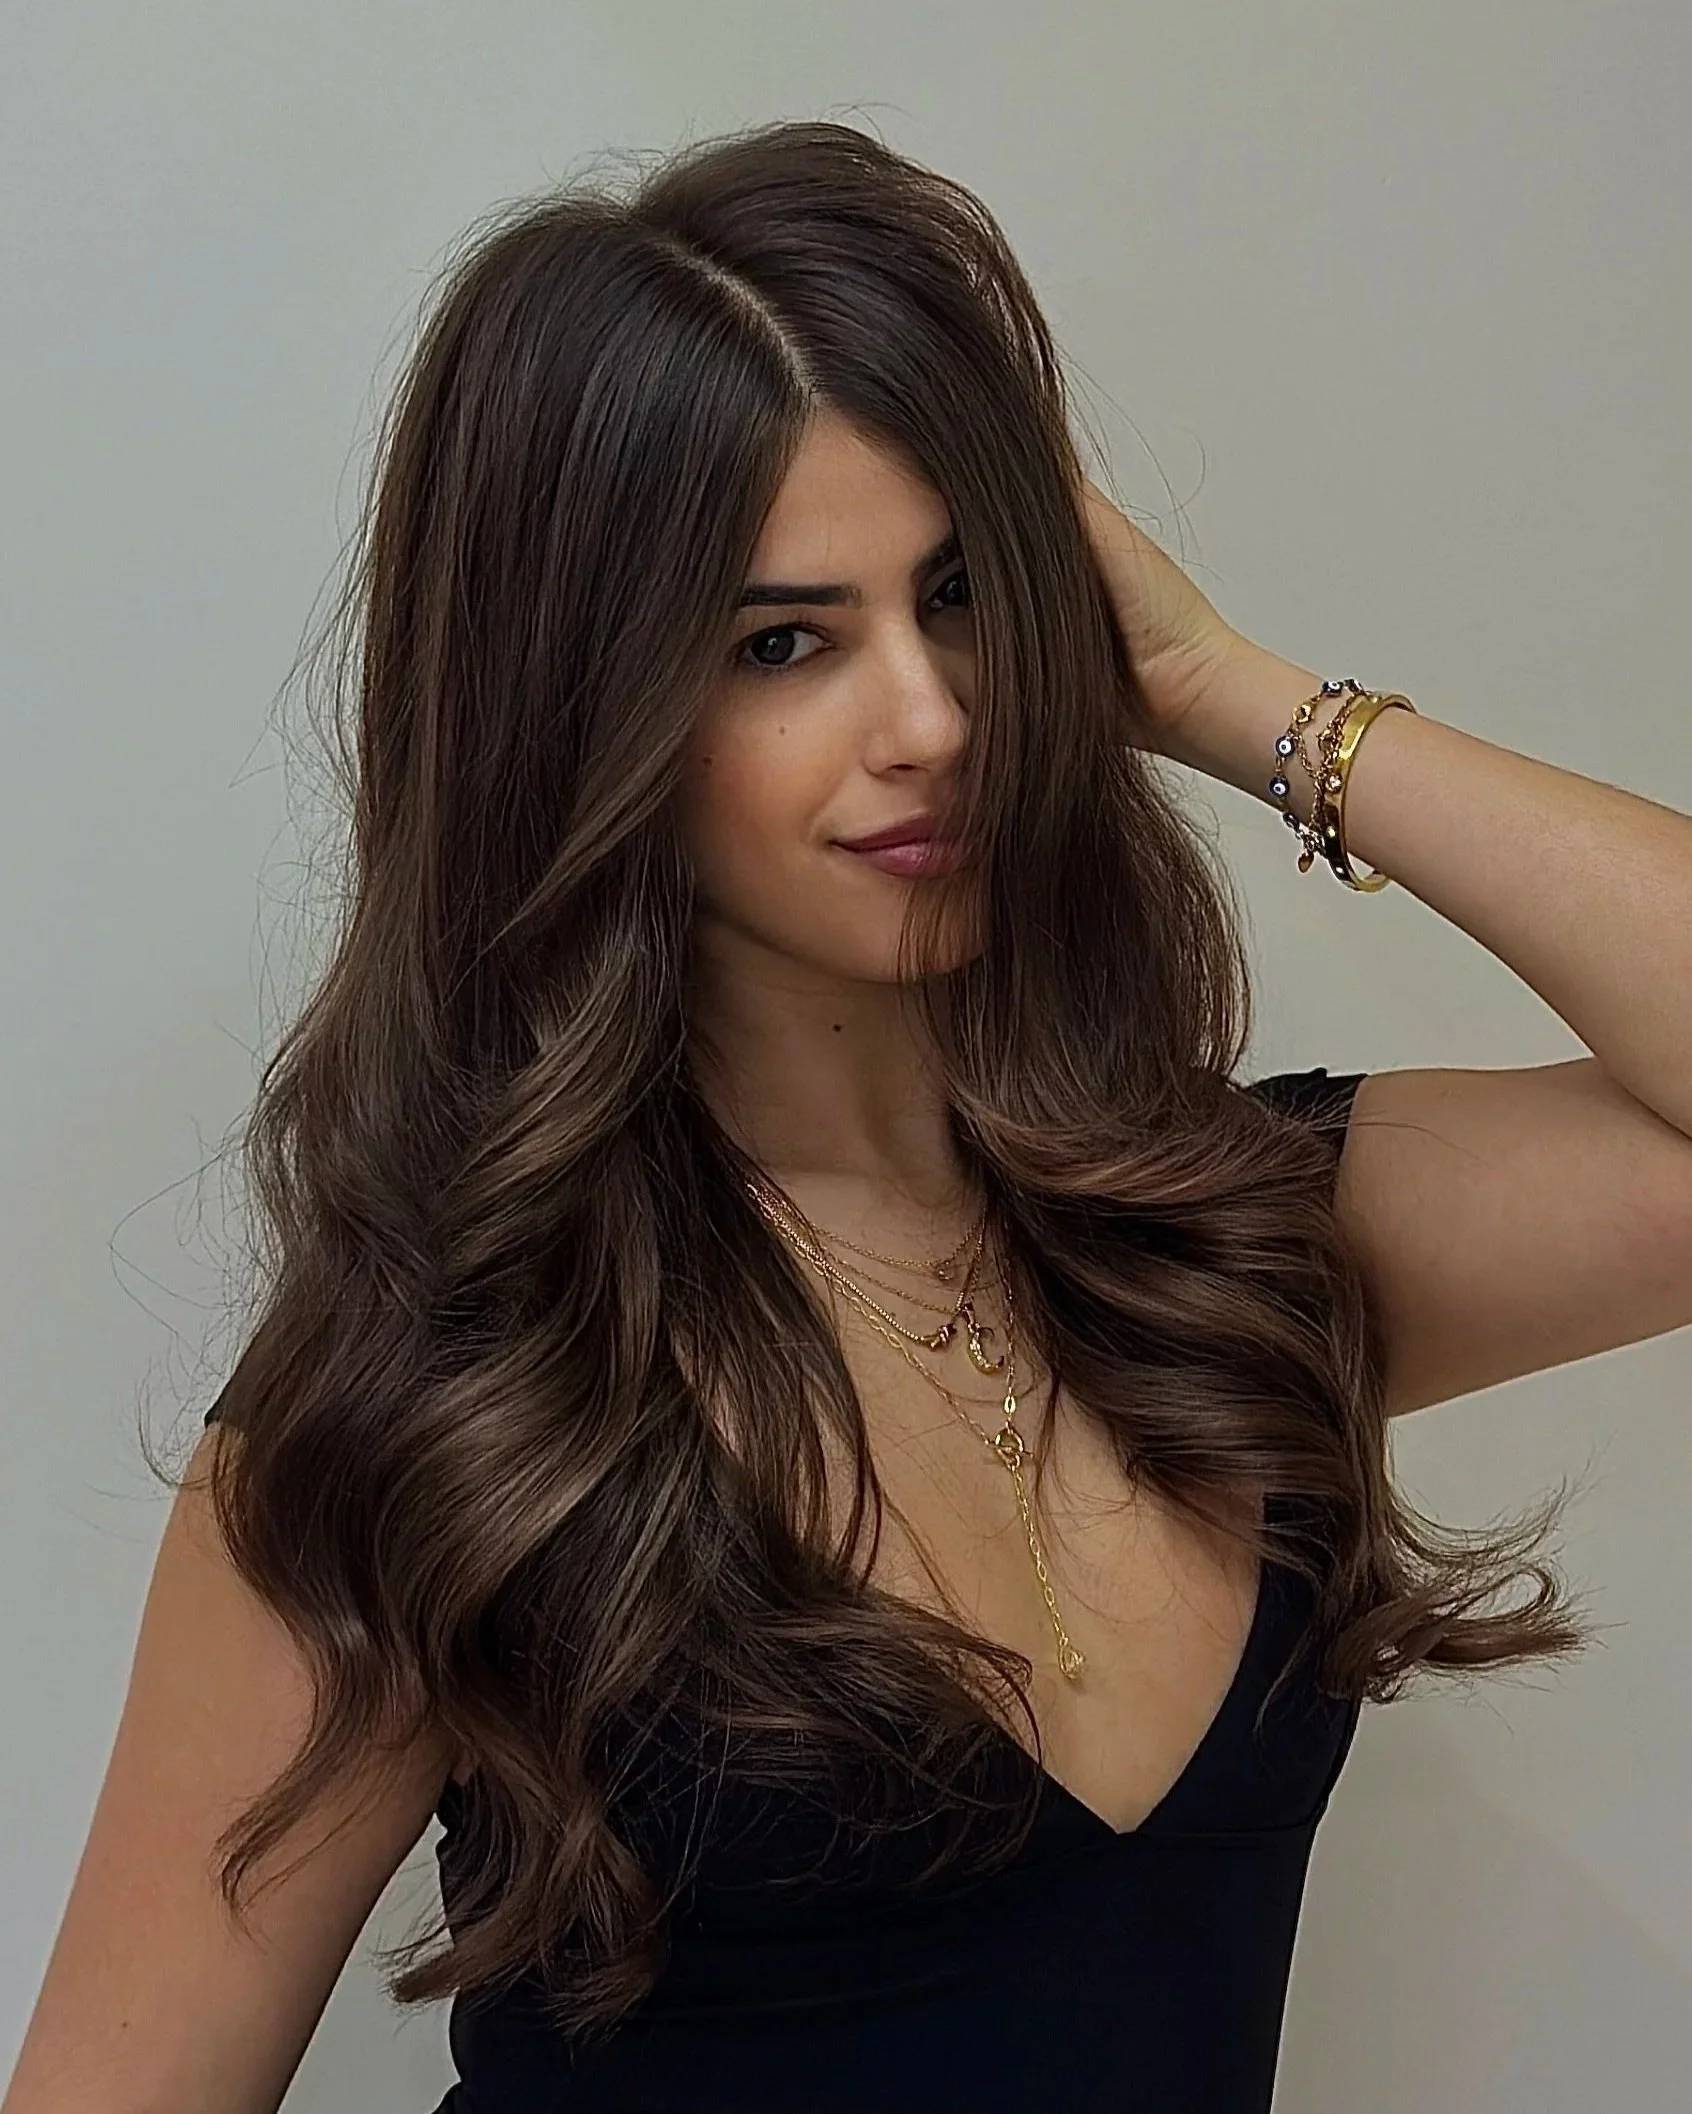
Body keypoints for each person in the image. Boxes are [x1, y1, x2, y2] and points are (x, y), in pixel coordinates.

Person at [11, 117, 1692, 2114]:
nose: (934, 718)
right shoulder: (432, 1420)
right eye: (784, 641)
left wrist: (1229, 686)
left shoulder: (1229, 1251)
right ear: (586, 707)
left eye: (968, 596)